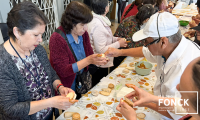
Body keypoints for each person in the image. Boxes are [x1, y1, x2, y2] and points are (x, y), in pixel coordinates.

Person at [105, 12, 200, 119]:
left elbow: (179, 112)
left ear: (163, 42)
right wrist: (120, 52)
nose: (145, 45)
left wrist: (147, 102)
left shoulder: (184, 67)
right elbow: (145, 51)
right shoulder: (171, 46)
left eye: (147, 42)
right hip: (162, 102)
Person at [0, 1, 77, 120]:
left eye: (42, 34)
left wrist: (60, 87)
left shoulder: (38, 50)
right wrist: (50, 102)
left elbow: (51, 74)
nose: (40, 40)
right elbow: (10, 109)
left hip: (47, 114)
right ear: (17, 32)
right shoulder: (3, 62)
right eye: (36, 35)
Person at [49, 1, 108, 98]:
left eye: (86, 24)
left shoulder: (83, 33)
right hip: (67, 85)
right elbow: (63, 70)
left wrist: (98, 60)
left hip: (82, 79)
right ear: (71, 22)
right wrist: (88, 60)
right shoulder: (57, 38)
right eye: (82, 25)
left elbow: (89, 53)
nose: (85, 28)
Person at [116, 57, 200, 120]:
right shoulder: (195, 110)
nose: (177, 87)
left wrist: (132, 118)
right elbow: (182, 106)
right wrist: (150, 99)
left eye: (183, 88)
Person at [88, 0, 127, 87]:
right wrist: (119, 44)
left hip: (99, 61)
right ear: (106, 8)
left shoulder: (98, 18)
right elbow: (101, 50)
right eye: (108, 4)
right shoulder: (97, 24)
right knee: (98, 85)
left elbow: (105, 38)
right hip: (99, 63)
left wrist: (116, 39)